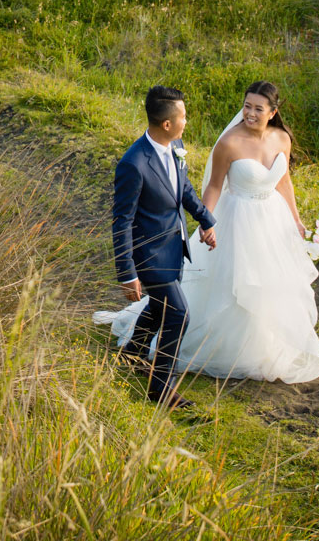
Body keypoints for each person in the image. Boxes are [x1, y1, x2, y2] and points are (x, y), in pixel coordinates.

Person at [97, 81, 319, 389]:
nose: (250, 113)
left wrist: (295, 220)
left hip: (272, 220)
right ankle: (160, 384)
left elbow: (283, 182)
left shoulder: (281, 139)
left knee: (267, 284)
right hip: (235, 220)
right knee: (206, 297)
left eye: (258, 108)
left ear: (273, 112)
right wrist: (208, 221)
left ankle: (256, 344)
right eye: (247, 106)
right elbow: (212, 186)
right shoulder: (227, 143)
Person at [108, 85, 218, 409]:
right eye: (183, 116)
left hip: (173, 248)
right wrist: (127, 273)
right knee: (178, 315)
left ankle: (131, 355)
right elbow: (121, 221)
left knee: (160, 309)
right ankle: (161, 388)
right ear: (167, 123)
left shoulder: (176, 146)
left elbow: (183, 190)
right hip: (148, 255)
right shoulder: (134, 164)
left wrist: (206, 220)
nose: (187, 120)